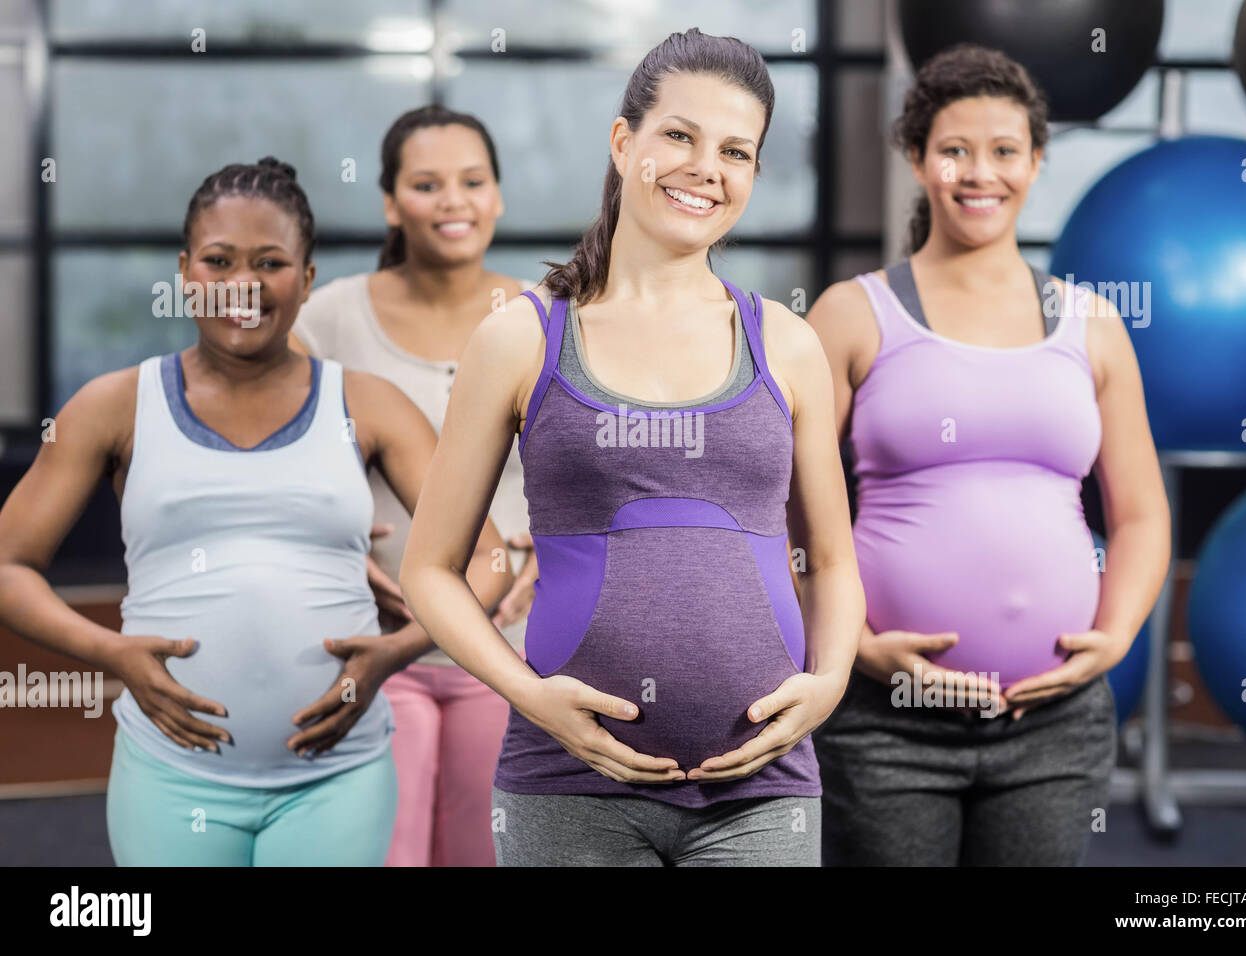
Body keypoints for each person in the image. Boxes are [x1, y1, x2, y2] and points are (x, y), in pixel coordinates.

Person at [398, 28, 864, 867]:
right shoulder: (521, 339)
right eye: (679, 136)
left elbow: (831, 559)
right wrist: (531, 697)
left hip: (760, 792)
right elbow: (429, 569)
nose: (705, 169)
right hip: (568, 787)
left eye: (736, 151)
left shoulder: (787, 344)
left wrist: (828, 684)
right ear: (625, 144)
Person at [0, 157, 512, 866]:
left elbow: (487, 557)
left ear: (305, 280)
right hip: (172, 775)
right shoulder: (114, 405)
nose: (243, 284)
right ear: (185, 272)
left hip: (336, 777)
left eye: (270, 263)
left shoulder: (367, 403)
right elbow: (8, 566)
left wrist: (396, 652)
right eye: (219, 261)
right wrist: (110, 651)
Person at [807, 45, 1171, 866]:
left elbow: (1142, 512)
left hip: (1055, 725)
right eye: (954, 150)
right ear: (917, 158)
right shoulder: (850, 314)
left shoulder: (1094, 324)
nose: (981, 173)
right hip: (886, 717)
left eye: (1005, 151)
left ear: (1036, 162)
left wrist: (1114, 637)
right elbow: (786, 512)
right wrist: (854, 646)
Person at [290, 104, 539, 868]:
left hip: (511, 650)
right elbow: (271, 453)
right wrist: (323, 542)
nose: (454, 201)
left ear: (497, 196)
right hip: (365, 647)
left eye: (473, 181)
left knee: (482, 853)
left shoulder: (550, 312)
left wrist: (556, 549)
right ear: (392, 204)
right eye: (427, 185)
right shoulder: (327, 318)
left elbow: (600, 471)